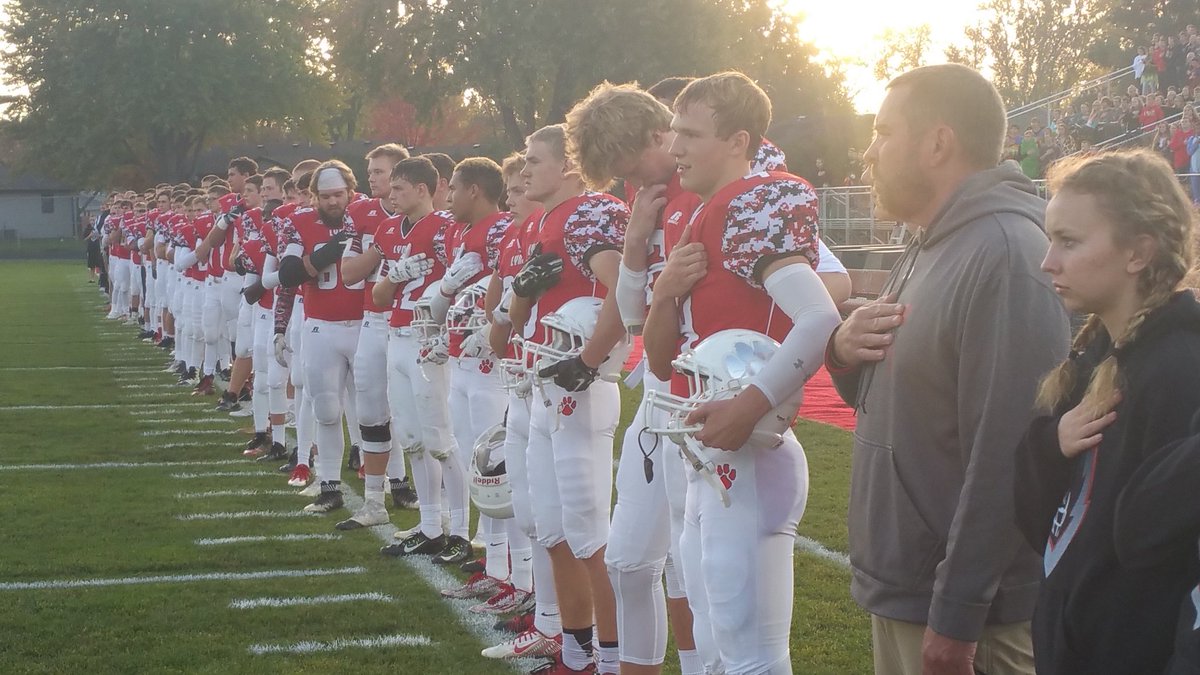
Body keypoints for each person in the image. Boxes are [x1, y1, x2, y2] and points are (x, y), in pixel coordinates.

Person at [824, 63, 1070, 675]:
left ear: (937, 142)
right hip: (912, 590)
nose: (869, 152)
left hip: (968, 617)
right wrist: (843, 351)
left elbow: (1009, 450)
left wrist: (959, 611)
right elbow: (904, 397)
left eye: (884, 132)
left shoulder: (1005, 253)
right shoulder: (931, 240)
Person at [641, 71, 841, 674]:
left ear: (738, 142)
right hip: (711, 456)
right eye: (674, 131)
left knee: (750, 655)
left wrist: (747, 405)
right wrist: (664, 294)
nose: (675, 146)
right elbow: (660, 360)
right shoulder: (704, 212)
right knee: (714, 641)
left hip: (750, 452)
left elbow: (820, 317)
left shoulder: (752, 203)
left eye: (691, 134)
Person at [1013, 148, 1200, 675]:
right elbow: (1039, 522)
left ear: (1137, 253)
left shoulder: (1180, 369)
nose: (1048, 261)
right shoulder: (1094, 354)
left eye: (1069, 242)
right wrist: (1052, 445)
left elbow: (1155, 551)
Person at [276, 160, 363, 514]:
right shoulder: (298, 222)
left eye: (338, 194)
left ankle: (392, 483)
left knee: (376, 410)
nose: (332, 202)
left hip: (366, 325)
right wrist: (328, 252)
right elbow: (288, 273)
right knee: (326, 409)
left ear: (351, 192)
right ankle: (329, 486)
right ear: (314, 196)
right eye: (325, 196)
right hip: (320, 326)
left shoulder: (367, 216)